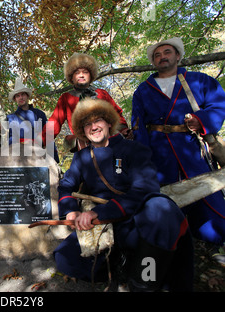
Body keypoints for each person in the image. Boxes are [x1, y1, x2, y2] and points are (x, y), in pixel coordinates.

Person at [54, 98, 193, 291]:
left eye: (98, 121)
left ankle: (144, 281)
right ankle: (121, 267)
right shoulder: (81, 158)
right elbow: (66, 185)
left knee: (162, 208)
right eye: (87, 124)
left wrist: (100, 212)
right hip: (102, 226)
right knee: (64, 258)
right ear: (82, 130)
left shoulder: (134, 149)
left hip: (136, 220)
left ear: (109, 123)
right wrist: (70, 211)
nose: (93, 127)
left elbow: (144, 190)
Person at [131, 37, 225, 246]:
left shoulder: (199, 80)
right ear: (153, 62)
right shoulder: (143, 89)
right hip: (159, 151)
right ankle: (173, 242)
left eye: (167, 52)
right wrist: (143, 159)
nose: (162, 57)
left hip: (192, 147)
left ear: (178, 56)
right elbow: (138, 125)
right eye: (157, 55)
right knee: (166, 196)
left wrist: (201, 121)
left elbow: (219, 104)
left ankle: (215, 240)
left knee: (207, 192)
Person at [42, 52, 130, 151]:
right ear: (71, 77)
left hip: (108, 144)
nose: (81, 75)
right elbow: (54, 123)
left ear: (91, 75)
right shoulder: (66, 98)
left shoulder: (102, 93)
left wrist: (123, 130)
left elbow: (117, 115)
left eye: (85, 72)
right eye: (77, 73)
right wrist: (39, 142)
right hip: (84, 148)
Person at [6, 77, 59, 162]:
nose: (21, 97)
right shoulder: (11, 118)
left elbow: (48, 136)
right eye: (18, 96)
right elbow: (12, 139)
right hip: (21, 156)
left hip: (40, 154)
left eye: (23, 94)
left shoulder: (40, 114)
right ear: (15, 99)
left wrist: (54, 158)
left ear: (27, 96)